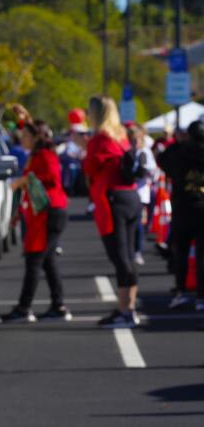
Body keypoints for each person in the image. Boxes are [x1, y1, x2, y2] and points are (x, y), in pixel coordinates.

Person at [1, 108, 71, 323]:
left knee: (35, 259)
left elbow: (51, 178)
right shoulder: (37, 154)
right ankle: (58, 305)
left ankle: (24, 308)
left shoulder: (45, 154)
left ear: (33, 137)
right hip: (43, 213)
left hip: (50, 212)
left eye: (25, 136)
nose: (22, 139)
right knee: (47, 261)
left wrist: (25, 180)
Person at [83, 96, 142, 328]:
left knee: (120, 258)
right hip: (130, 196)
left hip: (112, 200)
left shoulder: (99, 139)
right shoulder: (121, 136)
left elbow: (89, 168)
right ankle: (128, 307)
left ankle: (125, 311)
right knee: (127, 256)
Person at [158, 120, 204, 311]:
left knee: (181, 253)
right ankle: (201, 296)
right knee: (202, 255)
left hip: (183, 207)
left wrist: (179, 142)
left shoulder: (178, 152)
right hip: (201, 208)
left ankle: (181, 292)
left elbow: (162, 160)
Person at [126, 123, 157, 266]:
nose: (134, 142)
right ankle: (130, 251)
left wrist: (141, 173)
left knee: (137, 223)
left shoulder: (145, 152)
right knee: (128, 224)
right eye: (131, 139)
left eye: (136, 139)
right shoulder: (128, 152)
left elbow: (150, 171)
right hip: (128, 193)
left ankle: (137, 251)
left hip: (140, 193)